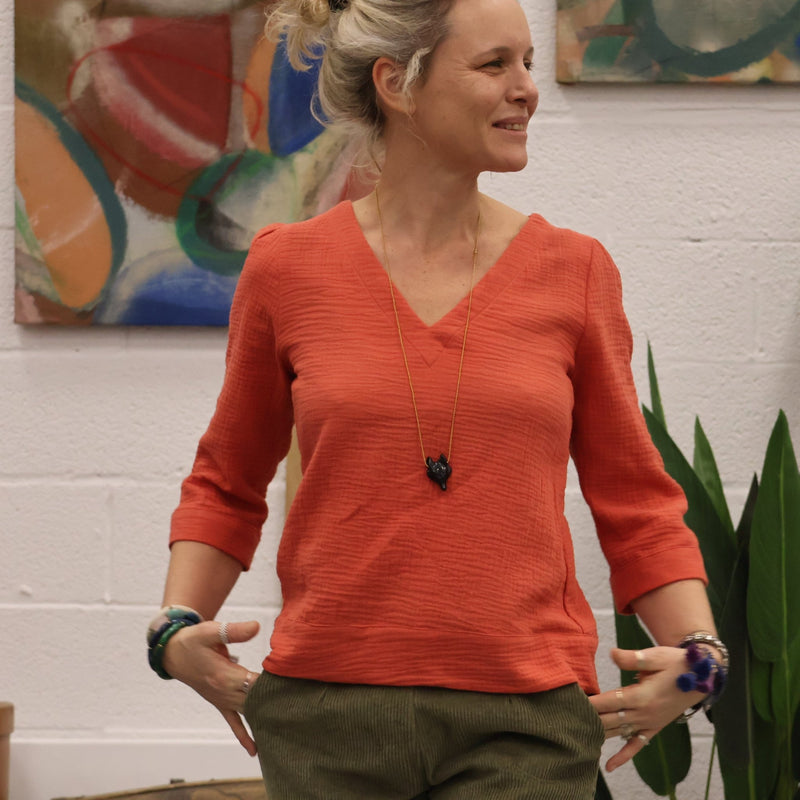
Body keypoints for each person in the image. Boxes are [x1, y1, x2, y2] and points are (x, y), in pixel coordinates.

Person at [147, 0, 729, 797]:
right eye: (495, 65)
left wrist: (700, 655)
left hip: (526, 724)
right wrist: (175, 628)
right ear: (398, 84)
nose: (527, 88)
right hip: (325, 722)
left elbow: (637, 502)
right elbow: (226, 480)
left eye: (528, 63)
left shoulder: (574, 270)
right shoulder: (287, 268)